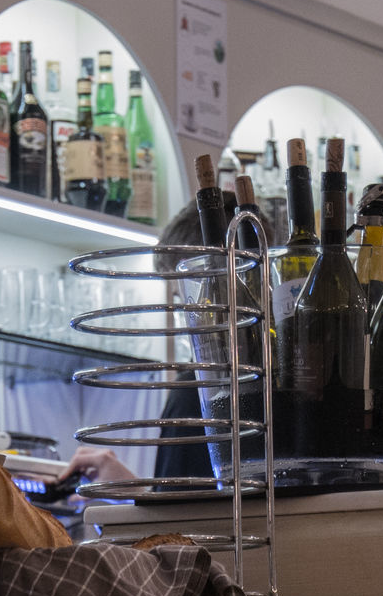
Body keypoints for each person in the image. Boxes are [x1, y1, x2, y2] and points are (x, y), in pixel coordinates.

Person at [56, 189, 272, 493]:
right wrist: (135, 489)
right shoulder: (286, 384)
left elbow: (180, 530)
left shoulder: (197, 396)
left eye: (181, 296)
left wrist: (137, 496)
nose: (183, 319)